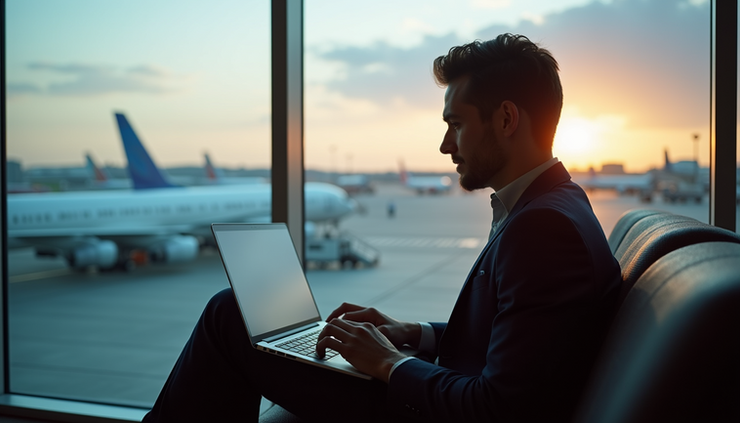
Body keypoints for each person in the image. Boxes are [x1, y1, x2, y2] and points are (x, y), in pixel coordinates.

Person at [143, 33, 621, 423]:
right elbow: (512, 341)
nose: (443, 145)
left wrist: (389, 363)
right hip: (434, 387)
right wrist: (411, 332)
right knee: (244, 316)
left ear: (506, 118)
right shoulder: (555, 205)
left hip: (426, 411)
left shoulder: (543, 231)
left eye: (454, 124)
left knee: (232, 315)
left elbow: (497, 409)